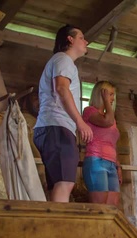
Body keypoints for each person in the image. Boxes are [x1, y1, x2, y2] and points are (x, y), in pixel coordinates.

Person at [33, 24, 93, 202]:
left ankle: (54, 227)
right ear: (70, 39)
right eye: (82, 37)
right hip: (57, 127)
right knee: (65, 184)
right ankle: (60, 230)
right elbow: (61, 88)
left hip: (50, 128)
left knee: (57, 184)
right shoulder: (63, 60)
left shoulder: (59, 61)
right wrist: (80, 122)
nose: (86, 41)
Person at [82, 81, 122, 207]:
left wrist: (118, 166)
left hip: (111, 163)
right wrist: (106, 102)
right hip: (96, 160)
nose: (112, 98)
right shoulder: (89, 111)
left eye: (113, 95)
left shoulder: (111, 118)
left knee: (113, 206)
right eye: (110, 94)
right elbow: (107, 121)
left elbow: (112, 144)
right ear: (101, 94)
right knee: (99, 207)